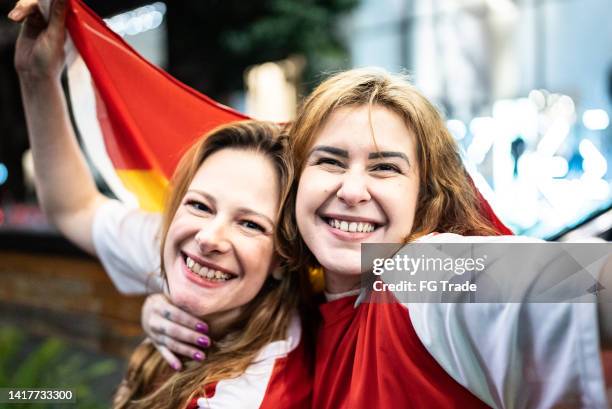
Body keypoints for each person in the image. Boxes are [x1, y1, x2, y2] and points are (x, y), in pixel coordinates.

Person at [11, 1, 611, 407]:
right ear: (297, 201)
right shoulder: (244, 257)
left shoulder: (415, 271)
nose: (353, 188)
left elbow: (581, 286)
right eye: (329, 160)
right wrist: (38, 77)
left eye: (385, 167)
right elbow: (75, 209)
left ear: (426, 200)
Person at [11, 1, 312, 408]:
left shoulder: (249, 394)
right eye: (201, 206)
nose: (209, 238)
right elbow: (73, 208)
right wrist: (36, 75)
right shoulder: (175, 248)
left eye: (251, 225)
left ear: (284, 258)